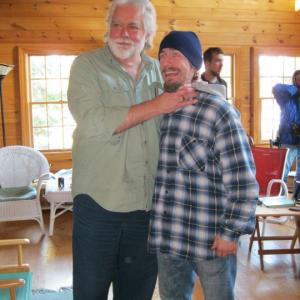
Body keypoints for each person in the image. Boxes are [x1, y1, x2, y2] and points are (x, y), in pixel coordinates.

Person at [67, 1, 198, 299]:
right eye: (116, 24)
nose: (123, 33)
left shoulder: (159, 71)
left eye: (133, 26)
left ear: (147, 33)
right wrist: (158, 104)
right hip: (99, 204)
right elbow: (92, 122)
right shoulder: (86, 66)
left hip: (148, 207)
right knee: (90, 292)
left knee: (137, 293)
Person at [148, 31, 259, 300]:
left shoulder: (217, 111)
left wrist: (231, 233)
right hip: (169, 240)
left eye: (177, 55)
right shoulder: (159, 110)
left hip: (210, 241)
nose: (167, 62)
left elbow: (243, 181)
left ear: (195, 65)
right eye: (163, 55)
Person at [272, 70, 300, 199]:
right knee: (283, 170)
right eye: (297, 79)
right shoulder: (286, 97)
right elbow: (276, 87)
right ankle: (280, 198)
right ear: (294, 80)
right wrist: (295, 89)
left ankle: (298, 199)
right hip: (288, 140)